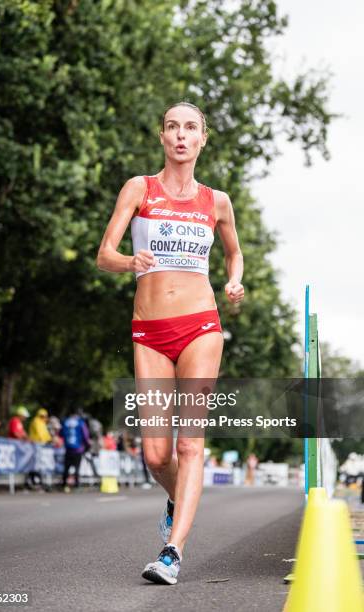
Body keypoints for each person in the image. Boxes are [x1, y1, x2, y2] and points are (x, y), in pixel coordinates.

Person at [97, 101, 244, 584]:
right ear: (162, 137)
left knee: (189, 446)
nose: (181, 136)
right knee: (156, 456)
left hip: (201, 324)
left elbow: (234, 254)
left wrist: (234, 283)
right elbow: (104, 254)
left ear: (203, 139)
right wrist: (128, 263)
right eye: (172, 127)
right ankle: (178, 502)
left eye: (190, 128)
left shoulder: (216, 201)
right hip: (149, 333)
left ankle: (172, 551)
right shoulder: (140, 189)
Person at [60, 411, 91, 492]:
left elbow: (61, 433)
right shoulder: (80, 423)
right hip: (78, 449)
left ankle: (64, 484)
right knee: (77, 467)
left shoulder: (66, 422)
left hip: (68, 448)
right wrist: (87, 444)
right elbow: (85, 435)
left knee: (66, 467)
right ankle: (76, 484)